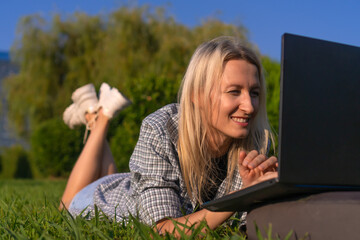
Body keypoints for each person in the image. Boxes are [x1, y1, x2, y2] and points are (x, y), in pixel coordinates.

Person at [59, 36, 278, 236]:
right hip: (103, 199)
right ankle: (100, 118)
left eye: (255, 93)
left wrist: (268, 191)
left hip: (130, 183)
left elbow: (248, 226)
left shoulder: (256, 141)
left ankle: (95, 113)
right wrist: (241, 197)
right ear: (196, 95)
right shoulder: (160, 128)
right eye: (234, 92)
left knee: (108, 174)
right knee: (66, 205)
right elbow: (163, 230)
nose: (249, 107)